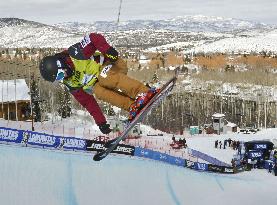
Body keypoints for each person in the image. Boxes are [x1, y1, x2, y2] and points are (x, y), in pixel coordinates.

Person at [39, 33, 159, 134]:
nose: (62, 79)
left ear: (61, 64)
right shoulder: (70, 82)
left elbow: (93, 38)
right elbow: (88, 102)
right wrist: (100, 122)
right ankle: (133, 105)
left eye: (60, 75)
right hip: (104, 80)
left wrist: (107, 49)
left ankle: (144, 92)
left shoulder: (76, 54)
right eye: (58, 79)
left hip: (112, 64)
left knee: (103, 77)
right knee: (98, 91)